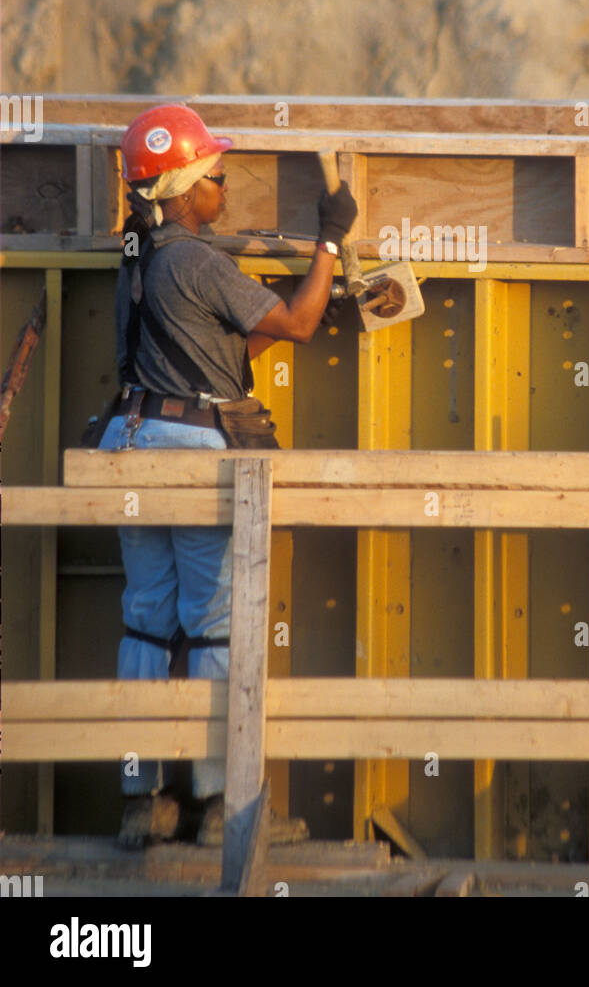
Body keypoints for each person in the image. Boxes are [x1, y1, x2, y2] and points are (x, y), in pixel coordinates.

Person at [95, 103, 357, 849]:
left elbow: (208, 362)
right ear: (182, 188)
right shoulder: (199, 262)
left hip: (133, 438)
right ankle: (220, 806)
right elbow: (299, 324)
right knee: (215, 624)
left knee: (147, 615)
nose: (225, 190)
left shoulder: (137, 259)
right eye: (215, 176)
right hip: (194, 450)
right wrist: (330, 242)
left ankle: (144, 800)